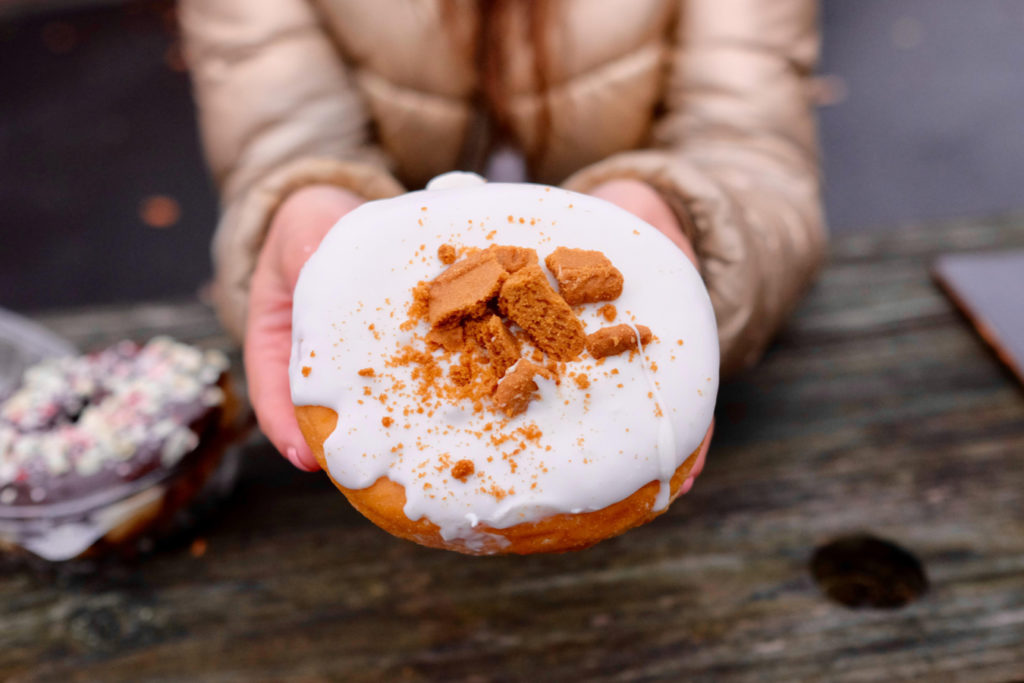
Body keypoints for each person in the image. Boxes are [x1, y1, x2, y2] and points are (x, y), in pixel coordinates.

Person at [180, 0, 825, 474]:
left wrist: (683, 218)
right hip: (390, 390)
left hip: (652, 423)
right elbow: (280, 139)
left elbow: (755, 157)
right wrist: (302, 203)